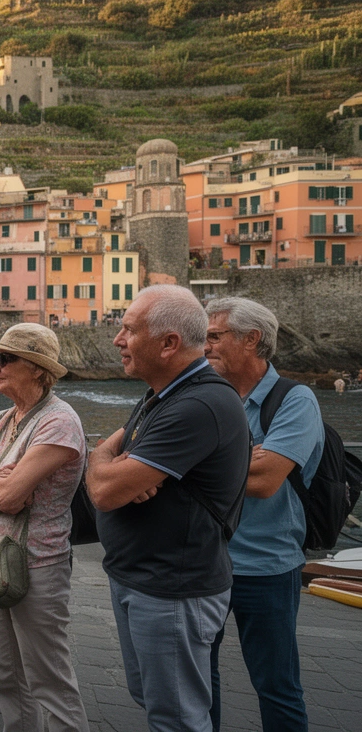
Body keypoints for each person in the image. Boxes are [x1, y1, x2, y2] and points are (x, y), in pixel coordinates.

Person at [87, 285, 250, 732]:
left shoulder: (199, 404)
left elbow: (104, 491)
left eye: (129, 329)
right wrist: (111, 464)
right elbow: (107, 455)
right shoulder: (162, 394)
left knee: (176, 718)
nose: (118, 339)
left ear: (169, 343)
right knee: (155, 701)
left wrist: (109, 468)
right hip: (144, 580)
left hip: (172, 590)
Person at [0, 324, 88, 732]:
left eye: (6, 358)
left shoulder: (59, 422)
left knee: (49, 680)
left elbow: (10, 498)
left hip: (36, 564)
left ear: (38, 369)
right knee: (7, 673)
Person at [204, 298, 321, 732]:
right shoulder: (208, 396)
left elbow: (265, 480)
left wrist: (194, 463)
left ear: (251, 339)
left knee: (277, 686)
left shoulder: (295, 400)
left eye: (215, 337)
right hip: (206, 564)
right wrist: (243, 457)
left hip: (267, 566)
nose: (204, 346)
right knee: (199, 680)